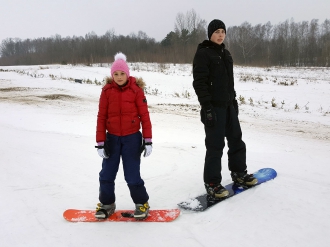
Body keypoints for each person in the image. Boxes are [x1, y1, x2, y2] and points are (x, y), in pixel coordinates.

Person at [192, 19, 258, 199]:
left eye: (223, 31)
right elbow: (199, 83)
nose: (220, 35)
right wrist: (206, 108)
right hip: (213, 108)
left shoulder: (226, 54)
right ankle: (212, 183)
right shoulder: (203, 54)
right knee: (215, 146)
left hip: (229, 106)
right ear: (210, 34)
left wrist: (234, 102)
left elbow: (229, 82)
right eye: (217, 32)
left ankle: (239, 174)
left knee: (237, 140)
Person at [95, 52, 152, 220]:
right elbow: (101, 117)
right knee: (106, 174)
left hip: (132, 138)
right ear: (112, 75)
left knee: (132, 175)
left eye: (122, 74)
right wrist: (100, 142)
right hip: (112, 139)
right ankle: (107, 204)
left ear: (127, 74)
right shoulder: (106, 91)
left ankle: (142, 203)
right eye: (116, 74)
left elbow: (145, 116)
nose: (119, 77)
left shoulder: (136, 90)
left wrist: (147, 140)